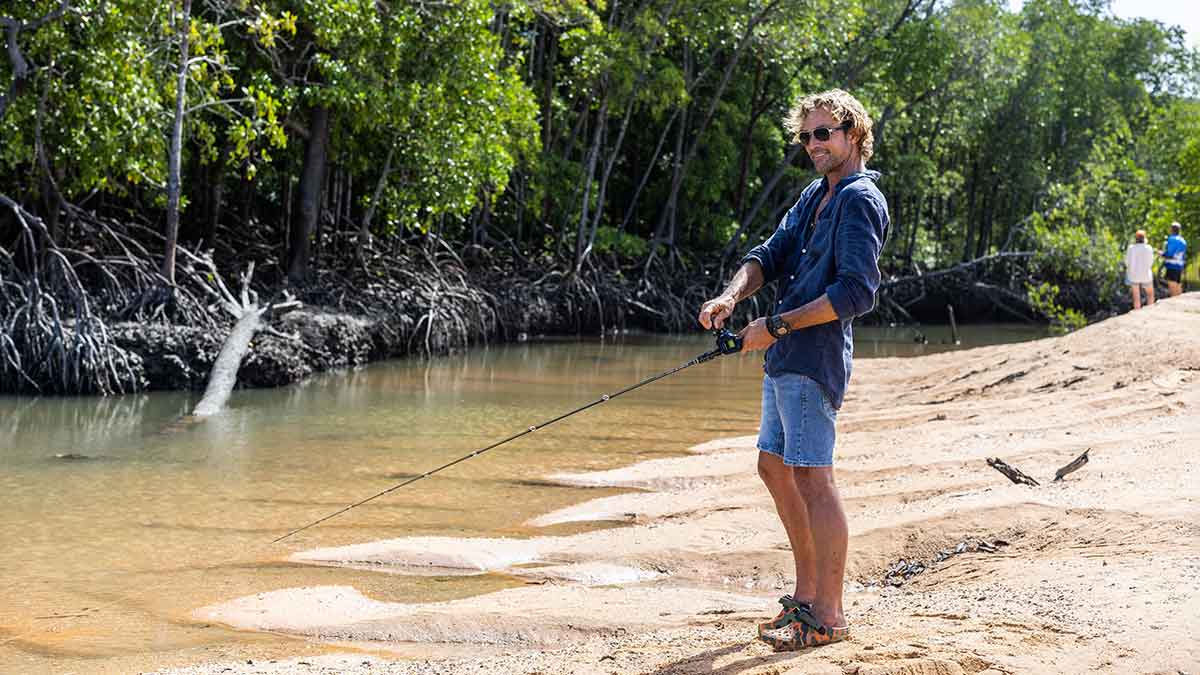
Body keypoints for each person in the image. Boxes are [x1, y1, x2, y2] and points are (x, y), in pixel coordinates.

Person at [697, 89, 888, 651]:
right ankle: (805, 599)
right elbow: (770, 253)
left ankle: (828, 614)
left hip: (815, 357)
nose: (812, 144)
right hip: (784, 357)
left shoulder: (860, 199)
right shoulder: (815, 195)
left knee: (811, 475)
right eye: (805, 136)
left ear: (854, 135)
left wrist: (775, 327)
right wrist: (731, 298)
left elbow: (856, 293)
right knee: (773, 467)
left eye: (823, 133)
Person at [1125, 229, 1155, 309]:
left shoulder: (1131, 248)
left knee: (1136, 296)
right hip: (1146, 275)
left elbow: (1127, 262)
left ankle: (1137, 312)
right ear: (1144, 238)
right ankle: (1150, 310)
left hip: (1134, 275)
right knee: (1150, 294)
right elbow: (1151, 262)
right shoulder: (1149, 248)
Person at [1161, 222, 1187, 297]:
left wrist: (1162, 254)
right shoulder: (1183, 240)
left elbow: (1170, 254)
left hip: (1172, 265)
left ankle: (1174, 302)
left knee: (1172, 284)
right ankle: (1179, 302)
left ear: (1172, 230)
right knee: (1178, 284)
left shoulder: (1172, 239)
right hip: (1180, 265)